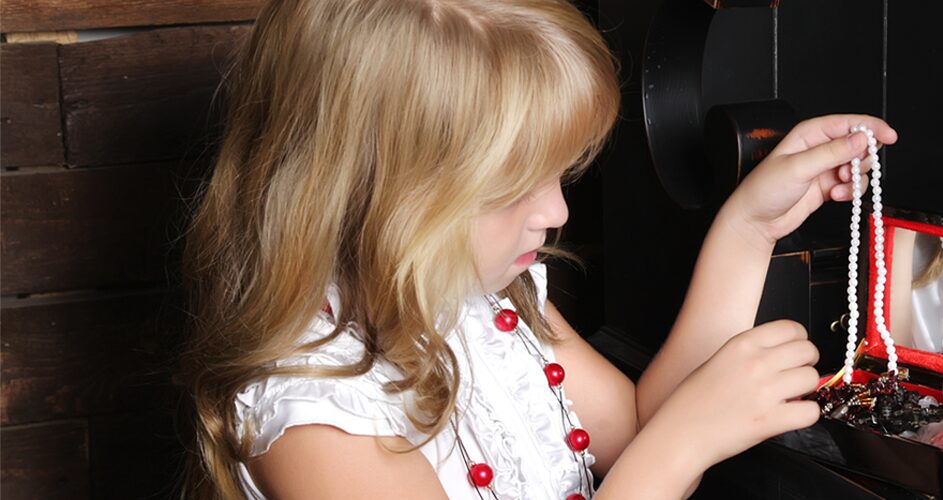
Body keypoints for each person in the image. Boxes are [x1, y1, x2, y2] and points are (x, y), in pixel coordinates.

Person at [176, 0, 898, 498]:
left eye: (560, 173)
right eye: (511, 186)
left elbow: (634, 428)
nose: (555, 212)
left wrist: (748, 229)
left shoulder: (482, 300)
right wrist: (682, 446)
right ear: (371, 191)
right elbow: (660, 443)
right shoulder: (314, 419)